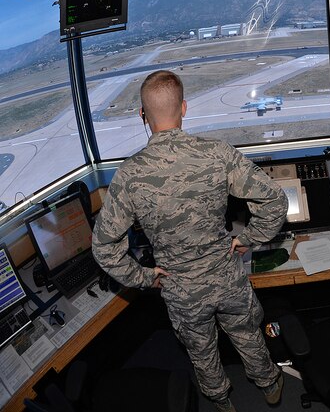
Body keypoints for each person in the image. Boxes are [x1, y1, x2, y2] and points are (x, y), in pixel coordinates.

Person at [92, 71, 288, 412]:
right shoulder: (217, 154)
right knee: (247, 334)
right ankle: (269, 384)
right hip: (227, 276)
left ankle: (222, 401)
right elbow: (274, 200)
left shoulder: (130, 175)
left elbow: (104, 248)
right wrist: (248, 239)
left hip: (180, 289)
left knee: (202, 351)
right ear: (183, 108)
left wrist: (146, 276)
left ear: (143, 115)